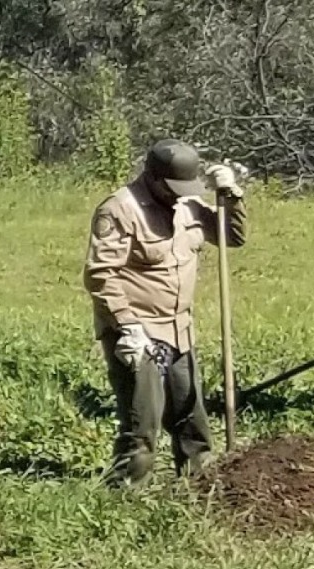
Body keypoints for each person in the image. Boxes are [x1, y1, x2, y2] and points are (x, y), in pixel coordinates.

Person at [85, 140, 245, 487]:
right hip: (137, 331)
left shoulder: (188, 203)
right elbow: (101, 274)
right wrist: (128, 326)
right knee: (143, 425)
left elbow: (230, 237)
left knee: (192, 419)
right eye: (172, 189)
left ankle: (198, 488)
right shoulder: (119, 210)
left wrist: (231, 197)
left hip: (179, 329)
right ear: (153, 178)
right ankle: (121, 500)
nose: (178, 196)